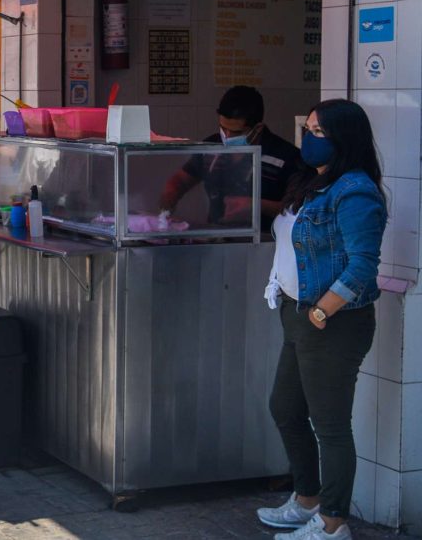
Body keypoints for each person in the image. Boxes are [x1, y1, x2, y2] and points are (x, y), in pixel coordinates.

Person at [256, 99, 387, 540]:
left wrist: (319, 310)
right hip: (299, 316)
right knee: (285, 408)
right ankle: (307, 499)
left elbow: (362, 265)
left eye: (317, 133)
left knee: (329, 425)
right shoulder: (312, 181)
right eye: (307, 128)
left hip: (331, 322)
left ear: (342, 140)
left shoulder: (355, 192)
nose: (307, 139)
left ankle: (333, 523)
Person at [159, 85, 302, 231]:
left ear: (258, 128)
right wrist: (171, 192)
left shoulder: (286, 157)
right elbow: (182, 180)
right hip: (216, 238)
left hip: (265, 244)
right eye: (223, 128)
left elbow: (299, 209)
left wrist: (256, 206)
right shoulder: (212, 148)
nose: (226, 136)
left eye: (235, 132)